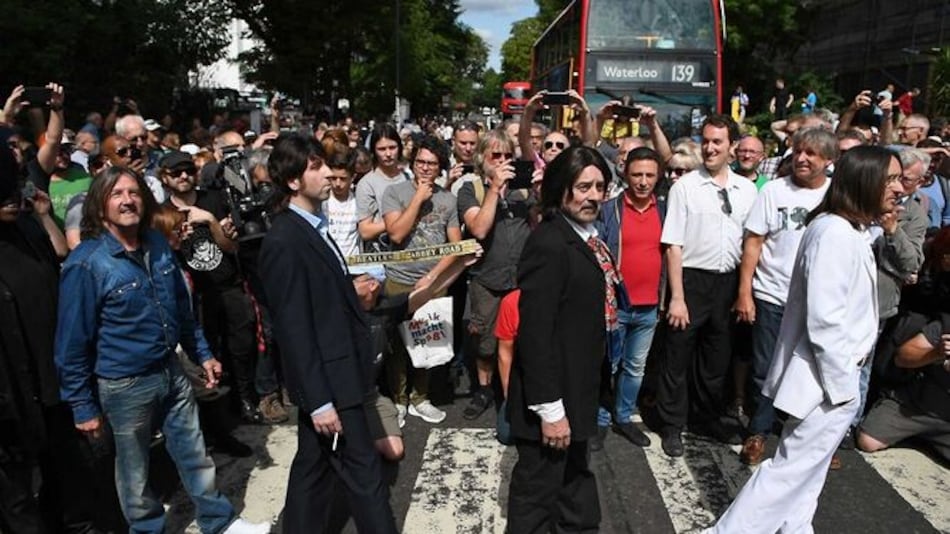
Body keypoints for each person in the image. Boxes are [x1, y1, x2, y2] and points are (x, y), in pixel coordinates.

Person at [54, 166, 269, 534]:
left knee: (195, 454)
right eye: (116, 194)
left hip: (171, 371)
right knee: (134, 473)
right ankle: (147, 530)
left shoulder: (156, 244)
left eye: (134, 192)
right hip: (123, 385)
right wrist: (82, 405)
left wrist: (202, 353)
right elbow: (71, 343)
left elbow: (181, 310)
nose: (127, 200)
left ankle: (219, 521)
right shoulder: (86, 263)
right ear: (99, 205)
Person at [705, 145, 905, 533]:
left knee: (806, 476)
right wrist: (843, 386)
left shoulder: (846, 229)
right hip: (826, 384)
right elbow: (825, 321)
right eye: (891, 179)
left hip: (829, 383)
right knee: (787, 473)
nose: (899, 189)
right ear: (866, 180)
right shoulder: (833, 233)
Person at [259, 134, 397, 534]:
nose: (328, 173)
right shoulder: (285, 240)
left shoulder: (312, 227)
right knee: (365, 477)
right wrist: (319, 402)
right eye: (316, 166)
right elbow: (293, 327)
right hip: (331, 383)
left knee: (313, 470)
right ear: (292, 182)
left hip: (339, 371)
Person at [506, 146, 613, 533]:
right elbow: (534, 335)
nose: (594, 196)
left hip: (578, 392)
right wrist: (551, 412)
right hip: (551, 403)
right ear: (560, 189)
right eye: (583, 186)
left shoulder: (585, 236)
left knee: (575, 497)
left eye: (600, 186)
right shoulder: (549, 244)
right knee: (536, 503)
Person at [656, 115, 757, 457]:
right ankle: (672, 425)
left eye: (718, 142)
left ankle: (705, 417)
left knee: (716, 358)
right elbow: (673, 244)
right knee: (677, 355)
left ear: (732, 147)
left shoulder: (746, 190)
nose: (710, 148)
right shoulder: (685, 187)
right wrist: (678, 297)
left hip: (727, 283)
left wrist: (743, 291)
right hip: (691, 280)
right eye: (706, 141)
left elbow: (751, 243)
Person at [734, 128, 836, 465]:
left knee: (813, 371)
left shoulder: (837, 195)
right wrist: (745, 292)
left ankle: (810, 438)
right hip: (772, 295)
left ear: (828, 161)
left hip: (818, 302)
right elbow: (754, 241)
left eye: (812, 154)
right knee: (766, 369)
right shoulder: (774, 191)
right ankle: (759, 431)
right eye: (799, 152)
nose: (802, 159)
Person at [457, 129, 535, 420]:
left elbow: (539, 223)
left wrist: (539, 193)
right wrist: (494, 189)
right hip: (487, 281)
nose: (502, 161)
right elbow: (478, 229)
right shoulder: (472, 189)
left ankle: (514, 388)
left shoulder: (522, 190)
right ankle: (484, 389)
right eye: (495, 155)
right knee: (486, 342)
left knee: (523, 338)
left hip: (521, 280)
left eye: (507, 155)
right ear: (482, 159)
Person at [593, 147, 667, 450]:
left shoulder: (665, 210)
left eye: (650, 175)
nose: (643, 181)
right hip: (616, 306)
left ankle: (623, 416)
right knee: (607, 365)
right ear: (626, 174)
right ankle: (599, 419)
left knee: (635, 367)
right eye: (637, 174)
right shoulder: (609, 209)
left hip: (649, 306)